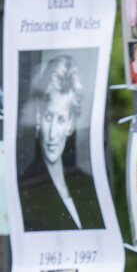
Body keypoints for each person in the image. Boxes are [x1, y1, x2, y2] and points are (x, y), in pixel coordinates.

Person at [18, 55, 104, 231]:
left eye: (61, 119)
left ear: (71, 124)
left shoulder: (87, 185)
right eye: (48, 117)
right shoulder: (27, 187)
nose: (52, 134)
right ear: (39, 118)